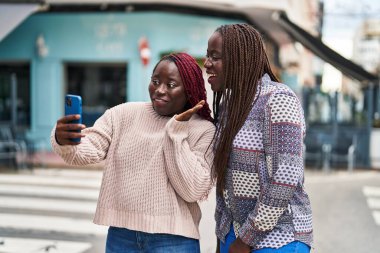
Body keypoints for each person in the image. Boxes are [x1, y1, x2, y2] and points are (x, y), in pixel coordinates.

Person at [52, 52, 215, 253]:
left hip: (174, 241)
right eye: (155, 81)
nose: (160, 90)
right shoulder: (123, 114)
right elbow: (84, 152)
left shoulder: (203, 129)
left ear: (190, 90)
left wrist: (177, 131)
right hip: (122, 236)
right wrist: (65, 139)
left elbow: (193, 190)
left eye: (171, 85)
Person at [204, 24, 313, 253]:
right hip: (233, 234)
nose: (207, 64)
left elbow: (286, 175)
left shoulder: (278, 99)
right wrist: (222, 237)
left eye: (215, 57)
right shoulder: (228, 107)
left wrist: (246, 240)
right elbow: (225, 181)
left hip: (280, 238)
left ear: (238, 59)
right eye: (207, 56)